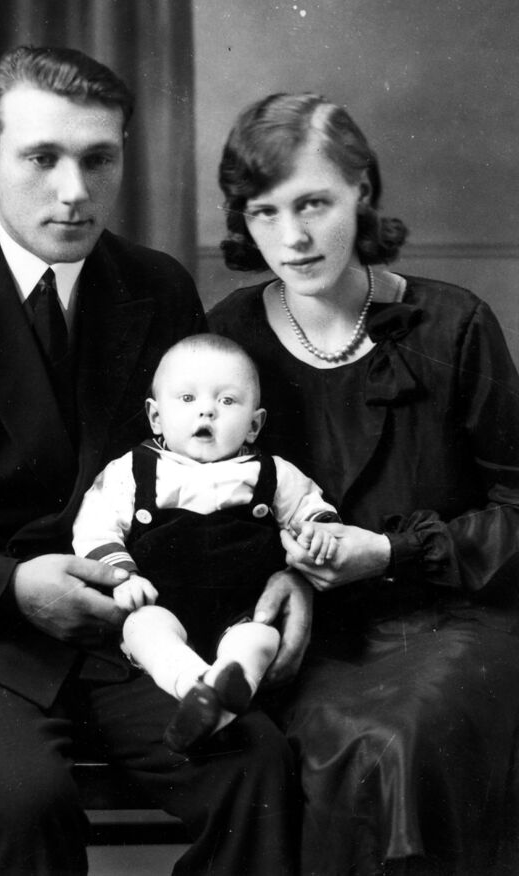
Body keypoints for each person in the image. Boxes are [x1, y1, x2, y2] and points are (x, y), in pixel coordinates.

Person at [0, 48, 305, 876]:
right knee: (24, 801)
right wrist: (10, 586)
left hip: (129, 632)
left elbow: (213, 479)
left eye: (98, 159)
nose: (74, 190)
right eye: (42, 158)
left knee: (255, 766)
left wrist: (285, 572)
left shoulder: (157, 287)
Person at [208, 91, 519, 876]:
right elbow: (207, 505)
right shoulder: (229, 337)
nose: (293, 237)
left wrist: (387, 552)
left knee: (400, 742)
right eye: (265, 212)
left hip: (454, 621)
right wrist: (286, 577)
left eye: (313, 203)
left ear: (362, 190)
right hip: (310, 637)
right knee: (318, 748)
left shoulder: (452, 324)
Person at [72, 332, 340, 753]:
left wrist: (319, 532)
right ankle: (196, 688)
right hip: (162, 603)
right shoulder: (132, 471)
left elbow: (312, 508)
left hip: (242, 610)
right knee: (142, 628)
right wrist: (123, 575)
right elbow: (95, 526)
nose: (207, 410)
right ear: (156, 417)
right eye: (187, 398)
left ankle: (222, 690)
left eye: (227, 401)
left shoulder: (273, 473)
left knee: (260, 638)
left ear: (254, 424)